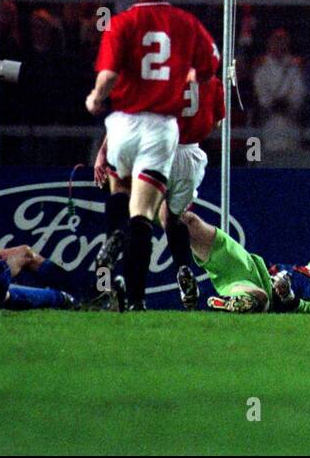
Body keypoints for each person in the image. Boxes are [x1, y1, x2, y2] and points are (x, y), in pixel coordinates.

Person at [85, 0, 218, 296]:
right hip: (161, 127)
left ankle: (113, 232)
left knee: (120, 193)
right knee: (144, 215)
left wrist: (95, 99)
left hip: (125, 122)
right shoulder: (185, 23)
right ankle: (136, 299)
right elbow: (209, 67)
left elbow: (109, 75)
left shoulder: (121, 23)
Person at [94, 69, 225, 311]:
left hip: (161, 145)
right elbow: (215, 122)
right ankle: (184, 268)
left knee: (137, 213)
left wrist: (103, 151)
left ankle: (132, 291)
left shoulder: (163, 73)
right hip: (191, 155)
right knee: (172, 217)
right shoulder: (212, 80)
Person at [173, 214, 310, 315]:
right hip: (251, 266)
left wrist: (287, 296)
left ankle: (216, 304)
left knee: (257, 299)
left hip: (264, 293)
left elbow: (309, 310)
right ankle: (144, 205)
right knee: (190, 222)